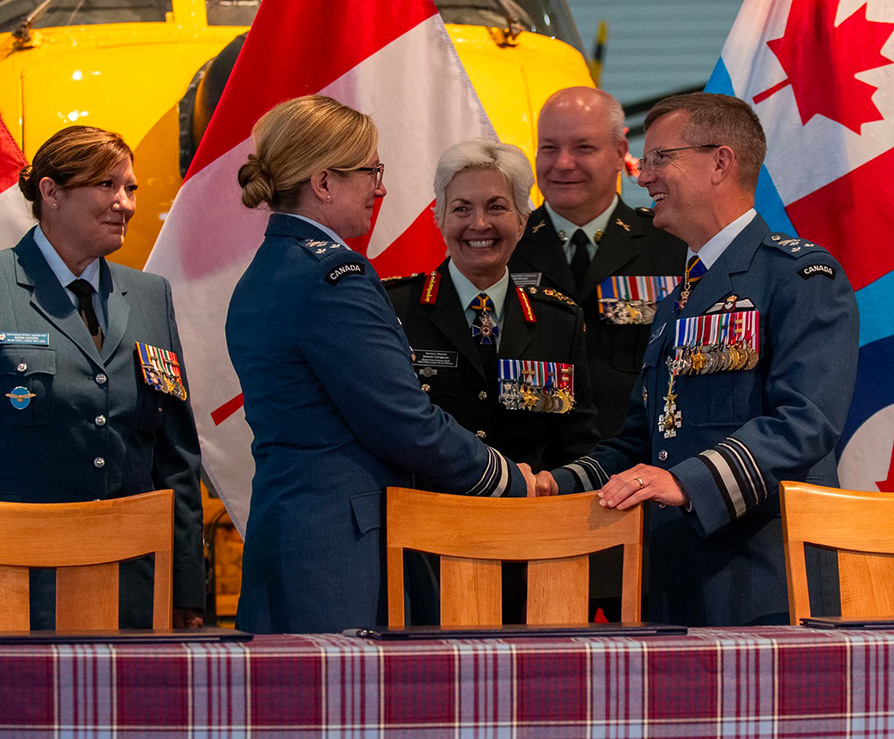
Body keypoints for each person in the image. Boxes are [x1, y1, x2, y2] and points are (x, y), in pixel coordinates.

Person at [536, 93, 859, 627]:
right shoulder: (678, 297)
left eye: (661, 157)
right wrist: (558, 484)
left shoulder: (798, 277)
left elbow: (805, 423)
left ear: (720, 162)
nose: (644, 175)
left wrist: (690, 482)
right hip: (670, 577)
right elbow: (642, 440)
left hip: (765, 577)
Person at [226, 96, 536, 635]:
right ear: (324, 183)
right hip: (339, 553)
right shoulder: (332, 278)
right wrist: (506, 479)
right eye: (371, 170)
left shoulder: (268, 271)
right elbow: (404, 422)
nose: (381, 187)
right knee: (347, 714)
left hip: (293, 535)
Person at [0, 125, 205, 631]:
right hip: (10, 584)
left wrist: (187, 586)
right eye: (107, 185)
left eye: (130, 188)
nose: (124, 203)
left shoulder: (151, 296)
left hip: (133, 589)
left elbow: (175, 458)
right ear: (51, 192)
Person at [385, 139, 599, 470]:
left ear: (522, 221)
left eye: (496, 207)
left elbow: (577, 447)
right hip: (422, 513)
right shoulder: (394, 309)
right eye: (461, 209)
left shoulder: (559, 322)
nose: (479, 224)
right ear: (439, 219)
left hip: (526, 514)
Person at [509, 86, 687, 440]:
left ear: (620, 151)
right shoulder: (502, 247)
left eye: (583, 147)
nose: (562, 163)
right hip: (531, 471)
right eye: (549, 148)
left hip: (638, 464)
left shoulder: (672, 247)